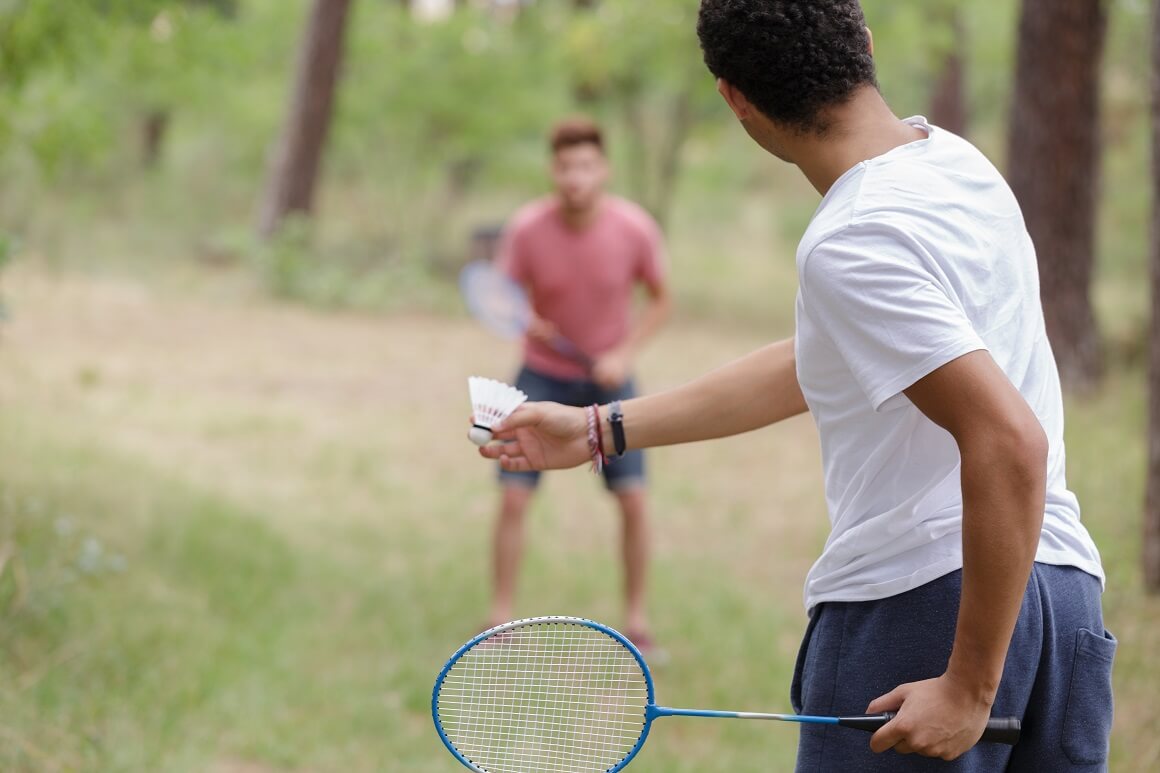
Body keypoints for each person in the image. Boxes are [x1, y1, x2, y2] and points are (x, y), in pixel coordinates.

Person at [478, 2, 1113, 770]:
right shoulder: (961, 166)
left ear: (735, 99)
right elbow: (825, 359)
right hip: (1063, 600)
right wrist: (597, 428)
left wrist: (971, 685)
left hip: (926, 609)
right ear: (866, 46)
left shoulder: (849, 239)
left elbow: (1010, 439)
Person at [484, 117, 672, 654]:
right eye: (565, 166)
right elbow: (500, 295)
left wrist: (624, 354)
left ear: (603, 169)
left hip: (609, 381)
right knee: (513, 499)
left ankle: (636, 621)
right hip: (539, 376)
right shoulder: (526, 229)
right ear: (553, 169)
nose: (575, 177)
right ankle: (498, 619)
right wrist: (524, 319)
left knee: (633, 501)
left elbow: (661, 298)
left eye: (586, 165)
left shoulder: (634, 228)